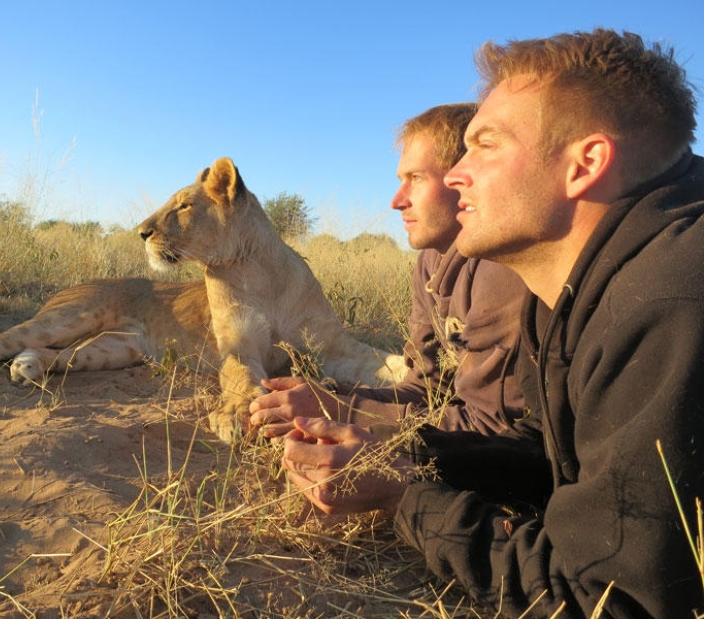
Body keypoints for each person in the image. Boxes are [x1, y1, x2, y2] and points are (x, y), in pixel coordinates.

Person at [281, 28, 704, 619]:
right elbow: (552, 464)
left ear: (585, 164)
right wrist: (392, 455)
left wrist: (404, 498)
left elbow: (610, 600)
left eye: (485, 145)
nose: (457, 175)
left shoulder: (671, 301)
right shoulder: (564, 285)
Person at [250, 104, 530, 438]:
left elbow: (491, 427)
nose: (396, 201)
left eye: (416, 178)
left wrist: (345, 413)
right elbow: (427, 389)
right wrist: (329, 397)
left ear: (463, 178)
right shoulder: (430, 260)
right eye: (401, 180)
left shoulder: (501, 268)